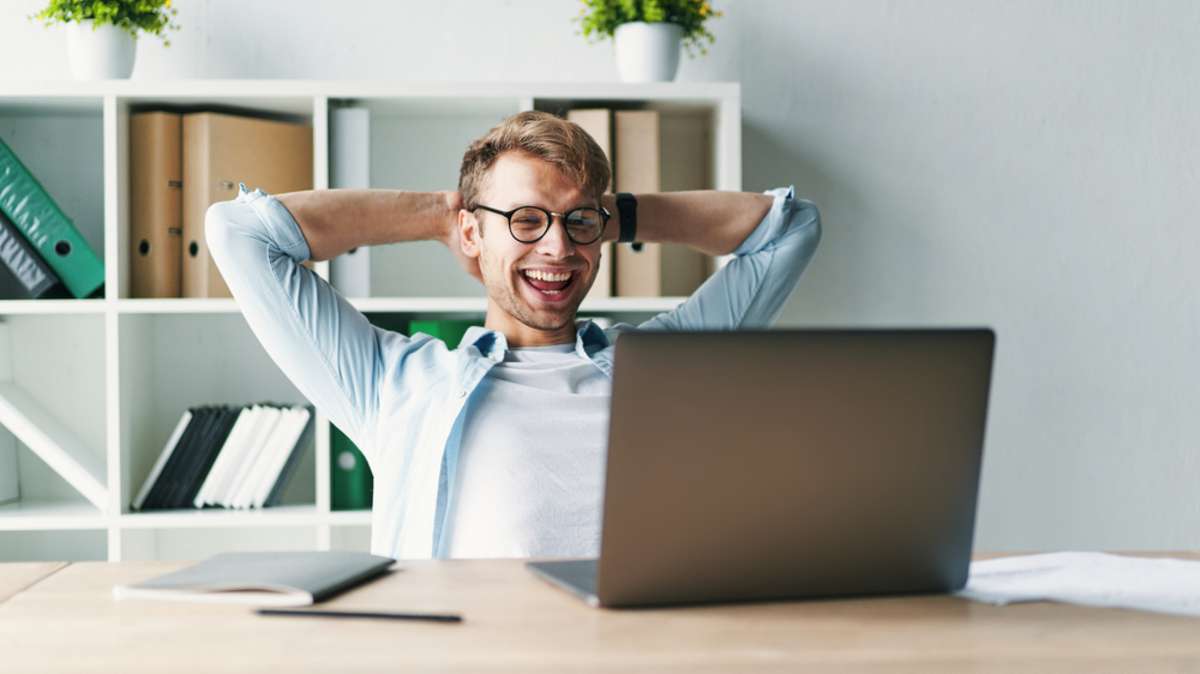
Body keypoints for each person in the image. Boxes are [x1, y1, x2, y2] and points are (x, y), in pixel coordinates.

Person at [205, 110, 821, 560]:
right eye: (525, 220)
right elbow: (239, 233)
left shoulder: (665, 364)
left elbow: (792, 229)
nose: (558, 246)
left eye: (577, 221)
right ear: (473, 235)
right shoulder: (394, 385)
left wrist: (612, 214)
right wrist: (441, 213)